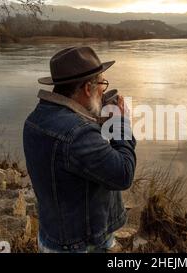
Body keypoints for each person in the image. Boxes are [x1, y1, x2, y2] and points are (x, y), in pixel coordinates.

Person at [23, 46, 137, 253]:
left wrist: (99, 120)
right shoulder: (77, 134)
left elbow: (75, 160)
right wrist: (122, 124)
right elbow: (123, 174)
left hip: (53, 233)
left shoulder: (36, 119)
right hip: (81, 244)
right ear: (87, 88)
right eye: (102, 83)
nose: (104, 91)